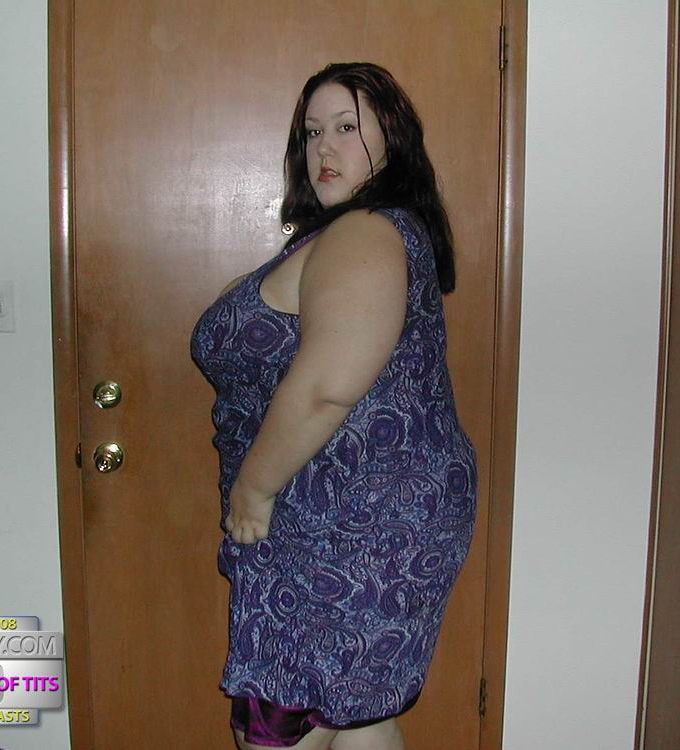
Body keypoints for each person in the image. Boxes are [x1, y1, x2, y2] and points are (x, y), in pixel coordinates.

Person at [190, 62, 478, 750]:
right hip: (358, 514)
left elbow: (326, 385)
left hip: (349, 525)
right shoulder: (353, 233)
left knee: (280, 726)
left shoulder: (366, 234)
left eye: (347, 128)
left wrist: (253, 492)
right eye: (313, 131)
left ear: (393, 140)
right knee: (357, 713)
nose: (324, 147)